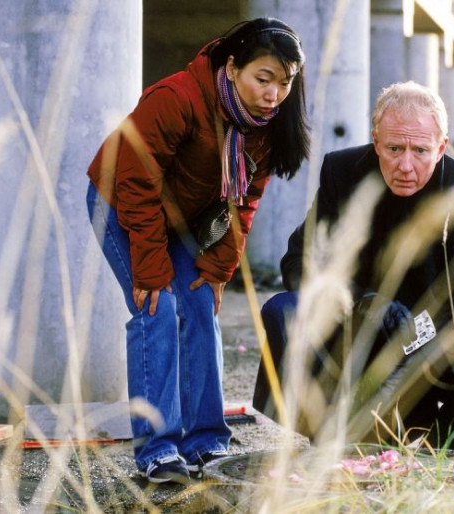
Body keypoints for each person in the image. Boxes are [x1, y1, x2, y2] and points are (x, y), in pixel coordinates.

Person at [86, 18, 309, 483]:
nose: (274, 95)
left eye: (285, 83)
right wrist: (151, 270)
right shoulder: (177, 98)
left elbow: (244, 201)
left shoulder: (266, 125)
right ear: (233, 67)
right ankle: (158, 451)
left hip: (185, 215)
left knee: (199, 301)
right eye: (263, 79)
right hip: (123, 201)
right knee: (158, 307)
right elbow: (136, 183)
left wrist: (217, 266)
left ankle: (206, 441)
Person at [252, 81, 454, 450]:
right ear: (376, 141)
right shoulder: (342, 172)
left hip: (435, 348)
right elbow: (299, 262)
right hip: (356, 331)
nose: (406, 166)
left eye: (420, 150)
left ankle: (439, 451)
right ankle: (330, 438)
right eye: (394, 148)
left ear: (441, 147)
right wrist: (363, 301)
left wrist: (413, 334)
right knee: (283, 310)